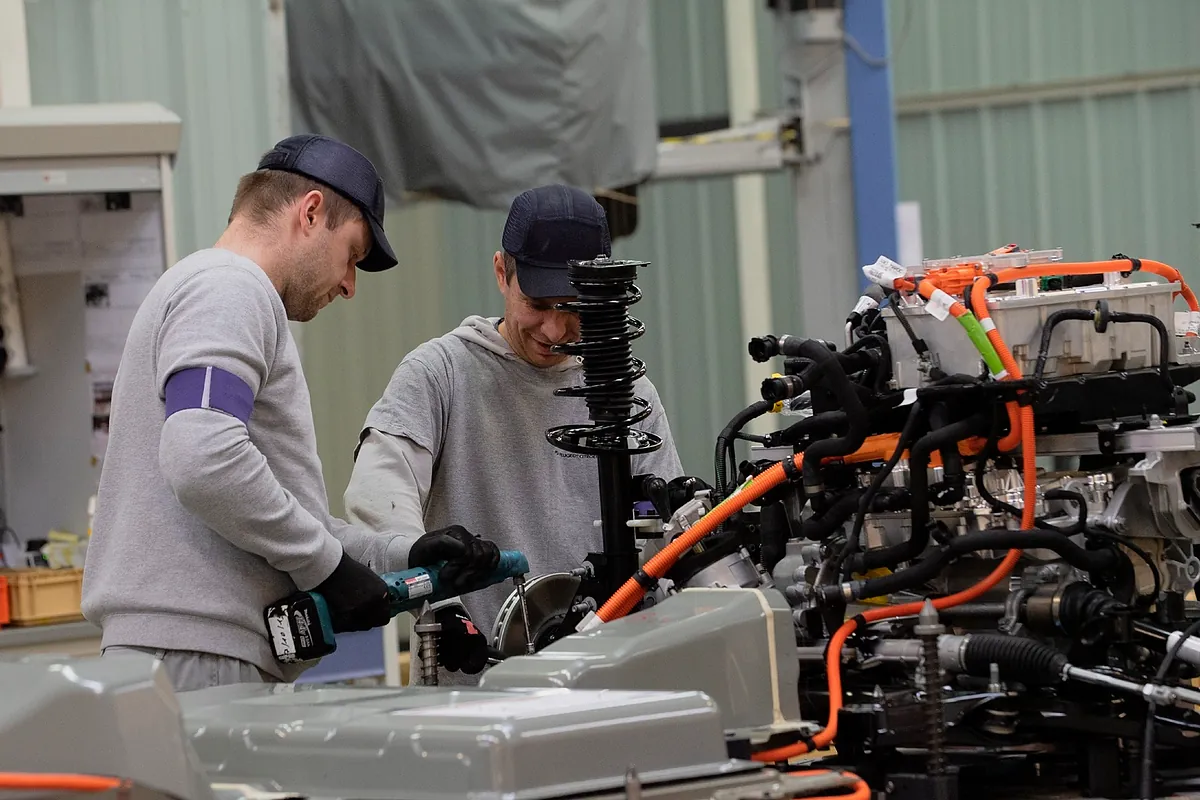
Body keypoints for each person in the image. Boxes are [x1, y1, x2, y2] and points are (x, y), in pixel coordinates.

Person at [81, 134, 497, 692]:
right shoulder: (230, 288)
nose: (349, 285)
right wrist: (325, 568)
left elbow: (276, 508)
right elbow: (204, 458)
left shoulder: (210, 289)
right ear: (311, 212)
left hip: (191, 652)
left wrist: (401, 553)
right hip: (202, 654)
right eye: (352, 255)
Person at [343, 184, 685, 685]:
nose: (554, 329)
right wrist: (439, 601)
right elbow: (378, 498)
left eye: (573, 307)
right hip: (471, 690)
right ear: (502, 272)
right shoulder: (440, 376)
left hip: (602, 690)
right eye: (537, 303)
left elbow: (671, 536)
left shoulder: (627, 392)